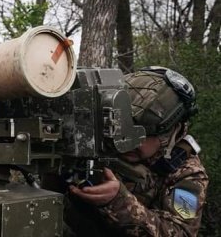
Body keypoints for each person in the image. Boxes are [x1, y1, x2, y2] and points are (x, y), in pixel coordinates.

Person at [65, 67, 208, 236]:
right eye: (120, 131)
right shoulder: (105, 136)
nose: (123, 142)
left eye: (139, 135)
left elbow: (180, 232)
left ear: (168, 134)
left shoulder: (188, 175)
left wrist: (119, 202)